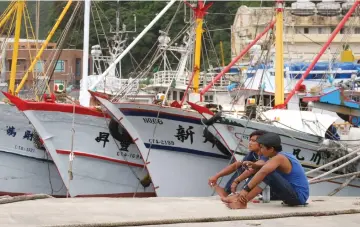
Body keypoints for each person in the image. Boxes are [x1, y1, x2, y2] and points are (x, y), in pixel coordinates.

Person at [222, 132, 310, 209]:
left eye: (262, 147)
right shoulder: (276, 156)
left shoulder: (279, 158)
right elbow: (257, 168)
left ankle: (242, 202)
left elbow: (264, 171)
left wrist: (245, 190)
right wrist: (253, 166)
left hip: (298, 198)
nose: (260, 150)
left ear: (271, 149)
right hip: (292, 195)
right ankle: (239, 198)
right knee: (262, 170)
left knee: (268, 173)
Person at [208, 130, 268, 198]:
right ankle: (227, 191)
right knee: (241, 165)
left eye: (253, 141)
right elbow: (235, 165)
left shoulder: (267, 154)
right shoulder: (253, 153)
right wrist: (216, 176)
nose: (250, 143)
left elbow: (254, 167)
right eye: (250, 140)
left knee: (255, 169)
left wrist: (236, 182)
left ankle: (244, 194)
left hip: (269, 190)